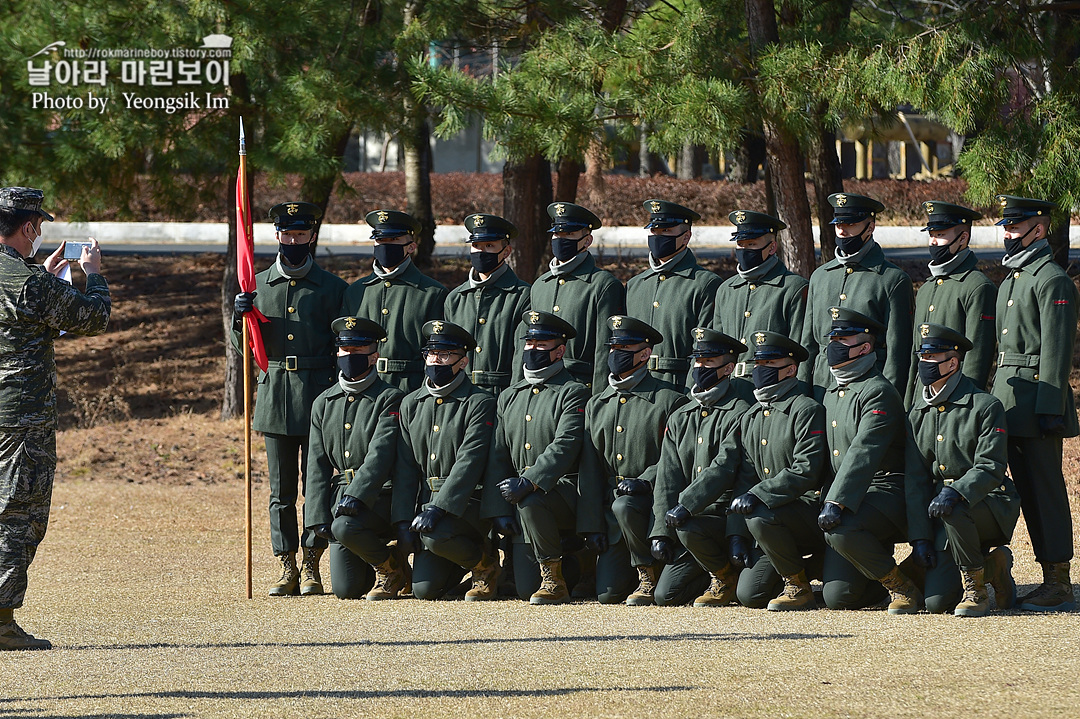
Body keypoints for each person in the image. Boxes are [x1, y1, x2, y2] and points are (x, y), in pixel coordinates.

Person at [0, 187, 110, 650]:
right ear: (27, 227)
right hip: (20, 417)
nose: (40, 236)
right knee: (18, 514)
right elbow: (93, 317)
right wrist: (93, 275)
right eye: (39, 228)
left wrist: (42, 276)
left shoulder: (28, 278)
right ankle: (2, 621)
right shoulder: (29, 281)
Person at [233, 201, 346, 598]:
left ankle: (312, 563)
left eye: (301, 234)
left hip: (318, 397)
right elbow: (243, 346)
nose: (293, 241)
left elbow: (346, 343)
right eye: (287, 234)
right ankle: (286, 564)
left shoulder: (333, 288)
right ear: (276, 236)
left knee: (316, 486)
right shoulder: (258, 286)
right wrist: (238, 316)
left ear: (313, 236)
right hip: (275, 397)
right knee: (280, 493)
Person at [991, 195, 1078, 612]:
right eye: (1005, 227)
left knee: (1045, 490)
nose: (1007, 234)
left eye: (1014, 227)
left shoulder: (1051, 278)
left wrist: (1049, 406)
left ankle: (1058, 579)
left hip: (1037, 403)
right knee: (1021, 489)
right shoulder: (1012, 278)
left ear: (1038, 230)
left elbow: (1056, 350)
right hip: (1008, 399)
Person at [905, 323, 1021, 616]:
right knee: (936, 603)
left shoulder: (984, 406)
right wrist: (920, 537)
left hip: (988, 502)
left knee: (954, 506)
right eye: (922, 358)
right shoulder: (918, 411)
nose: (924, 365)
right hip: (941, 511)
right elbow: (917, 478)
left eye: (931, 359)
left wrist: (956, 491)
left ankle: (976, 589)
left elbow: (991, 466)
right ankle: (994, 566)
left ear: (953, 362)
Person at [578, 316, 688, 605]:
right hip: (611, 515)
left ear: (645, 353)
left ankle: (648, 573)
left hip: (647, 506)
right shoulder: (597, 403)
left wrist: (645, 480)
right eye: (614, 348)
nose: (617, 355)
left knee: (625, 504)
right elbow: (590, 471)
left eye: (626, 348)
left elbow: (672, 459)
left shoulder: (668, 400)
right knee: (607, 595)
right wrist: (592, 525)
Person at [483, 310, 590, 604]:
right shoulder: (510, 395)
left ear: (560, 351)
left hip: (562, 493)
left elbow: (566, 444)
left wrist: (529, 482)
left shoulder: (573, 392)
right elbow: (498, 456)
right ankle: (566, 559)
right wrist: (499, 509)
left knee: (531, 500)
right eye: (529, 344)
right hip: (518, 498)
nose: (532, 350)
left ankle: (555, 580)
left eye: (541, 345)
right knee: (522, 589)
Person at [818, 307, 919, 613]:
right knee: (839, 598)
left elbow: (865, 451)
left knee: (840, 528)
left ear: (865, 347)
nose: (835, 345)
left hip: (884, 492)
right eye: (833, 338)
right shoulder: (832, 392)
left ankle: (901, 585)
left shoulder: (877, 392)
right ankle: (883, 571)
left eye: (844, 339)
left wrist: (835, 502)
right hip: (847, 496)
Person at [392, 320, 500, 600]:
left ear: (463, 362)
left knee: (435, 536)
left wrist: (438, 509)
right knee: (424, 591)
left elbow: (470, 461)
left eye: (444, 355)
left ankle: (484, 565)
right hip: (427, 506)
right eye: (430, 354)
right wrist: (403, 519)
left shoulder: (479, 401)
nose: (435, 360)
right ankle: (456, 564)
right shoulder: (411, 403)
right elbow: (405, 468)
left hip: (466, 504)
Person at [303, 317, 408, 600]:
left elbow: (380, 455)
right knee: (346, 590)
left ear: (374, 356)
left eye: (358, 352)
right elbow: (316, 463)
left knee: (344, 526)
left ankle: (391, 567)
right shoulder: (324, 402)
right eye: (344, 351)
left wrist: (357, 496)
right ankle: (380, 558)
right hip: (340, 502)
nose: (350, 357)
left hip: (379, 498)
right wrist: (316, 515)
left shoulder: (390, 398)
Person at [728, 331, 828, 611]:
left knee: (843, 593)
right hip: (770, 516)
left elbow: (807, 470)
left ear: (791, 369)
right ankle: (801, 571)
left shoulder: (805, 409)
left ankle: (798, 586)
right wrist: (737, 533)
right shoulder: (752, 416)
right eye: (758, 365)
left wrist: (759, 494)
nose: (760, 371)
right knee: (750, 595)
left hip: (805, 511)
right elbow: (745, 477)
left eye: (769, 365)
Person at [655, 328, 754, 607]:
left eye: (709, 362)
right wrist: (660, 531)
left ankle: (724, 578)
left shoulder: (739, 411)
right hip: (689, 519)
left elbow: (724, 467)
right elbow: (667, 477)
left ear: (729, 368)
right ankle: (715, 568)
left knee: (688, 528)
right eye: (697, 361)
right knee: (666, 596)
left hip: (723, 515)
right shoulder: (680, 415)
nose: (700, 368)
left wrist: (686, 504)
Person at [804, 193, 913, 399]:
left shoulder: (891, 279)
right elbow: (808, 345)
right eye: (838, 225)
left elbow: (897, 353)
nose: (842, 231)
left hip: (866, 392)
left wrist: (888, 402)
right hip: (822, 389)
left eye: (851, 224)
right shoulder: (820, 277)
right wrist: (802, 394)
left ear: (870, 227)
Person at [340, 210, 448, 392]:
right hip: (364, 388)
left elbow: (437, 353)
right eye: (380, 240)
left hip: (410, 389)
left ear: (411, 247)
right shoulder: (356, 291)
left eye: (393, 240)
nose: (385, 246)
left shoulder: (432, 293)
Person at [904, 201, 996, 408]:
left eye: (940, 235)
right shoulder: (927, 288)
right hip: (922, 398)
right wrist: (908, 402)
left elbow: (977, 356)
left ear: (963, 238)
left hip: (955, 400)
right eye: (932, 235)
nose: (934, 242)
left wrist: (967, 407)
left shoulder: (977, 286)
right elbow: (915, 353)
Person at [626, 200, 721, 389]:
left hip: (678, 386)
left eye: (667, 231)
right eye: (655, 231)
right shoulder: (635, 285)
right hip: (635, 386)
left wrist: (690, 396)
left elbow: (704, 349)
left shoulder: (704, 284)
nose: (658, 236)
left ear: (686, 237)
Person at [531, 202, 625, 393]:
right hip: (541, 389)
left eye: (569, 234)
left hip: (581, 387)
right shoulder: (541, 285)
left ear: (587, 241)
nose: (560, 239)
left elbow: (604, 349)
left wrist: (599, 400)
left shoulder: (602, 285)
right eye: (557, 234)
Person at [444, 213, 531, 396]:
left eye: (490, 246)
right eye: (476, 246)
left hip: (501, 394)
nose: (481, 252)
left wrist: (514, 398)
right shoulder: (455, 298)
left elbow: (521, 356)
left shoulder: (522, 295)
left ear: (506, 252)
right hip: (459, 395)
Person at [713, 210, 808, 374]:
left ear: (772, 247)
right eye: (740, 244)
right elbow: (717, 348)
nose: (744, 249)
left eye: (752, 244)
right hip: (729, 388)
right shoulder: (726, 290)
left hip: (771, 387)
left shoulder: (793, 288)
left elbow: (801, 350)